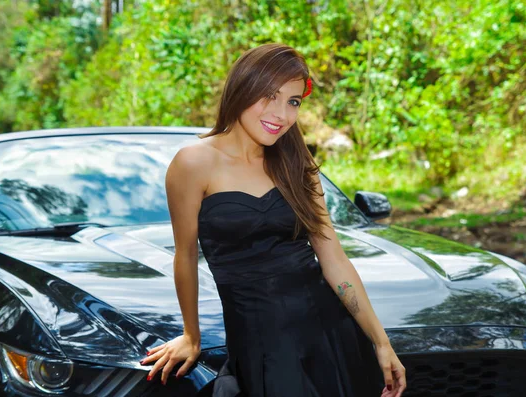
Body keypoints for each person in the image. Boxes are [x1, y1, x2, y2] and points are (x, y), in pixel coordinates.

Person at [139, 43, 407, 397]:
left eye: (293, 101)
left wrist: (380, 342)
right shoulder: (193, 163)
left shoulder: (297, 163)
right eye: (270, 96)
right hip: (261, 345)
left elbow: (334, 260)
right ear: (241, 89)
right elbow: (185, 255)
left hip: (332, 338)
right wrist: (192, 336)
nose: (281, 114)